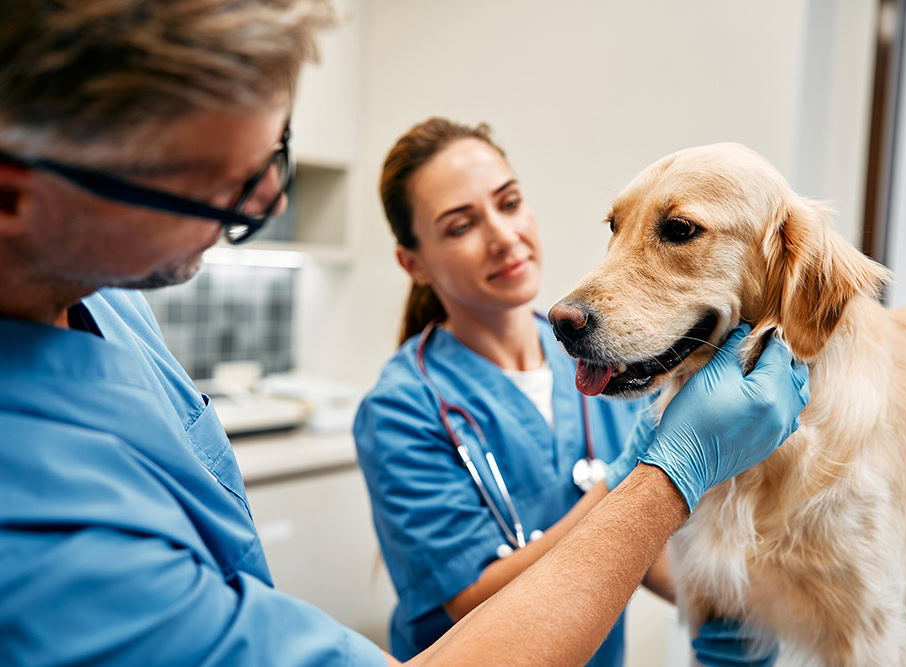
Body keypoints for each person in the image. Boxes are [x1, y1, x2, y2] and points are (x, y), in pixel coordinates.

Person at [0, 2, 808, 665]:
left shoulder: (106, 303)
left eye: (273, 157)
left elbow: (653, 560)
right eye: (221, 189)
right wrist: (659, 476)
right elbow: (466, 609)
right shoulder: (38, 532)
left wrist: (732, 609)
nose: (269, 206)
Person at [353, 118, 790, 666]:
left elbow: (640, 542)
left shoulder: (616, 360)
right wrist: (621, 485)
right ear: (412, 262)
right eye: (461, 226)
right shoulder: (400, 408)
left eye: (508, 203)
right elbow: (467, 602)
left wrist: (730, 609)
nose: (504, 236)